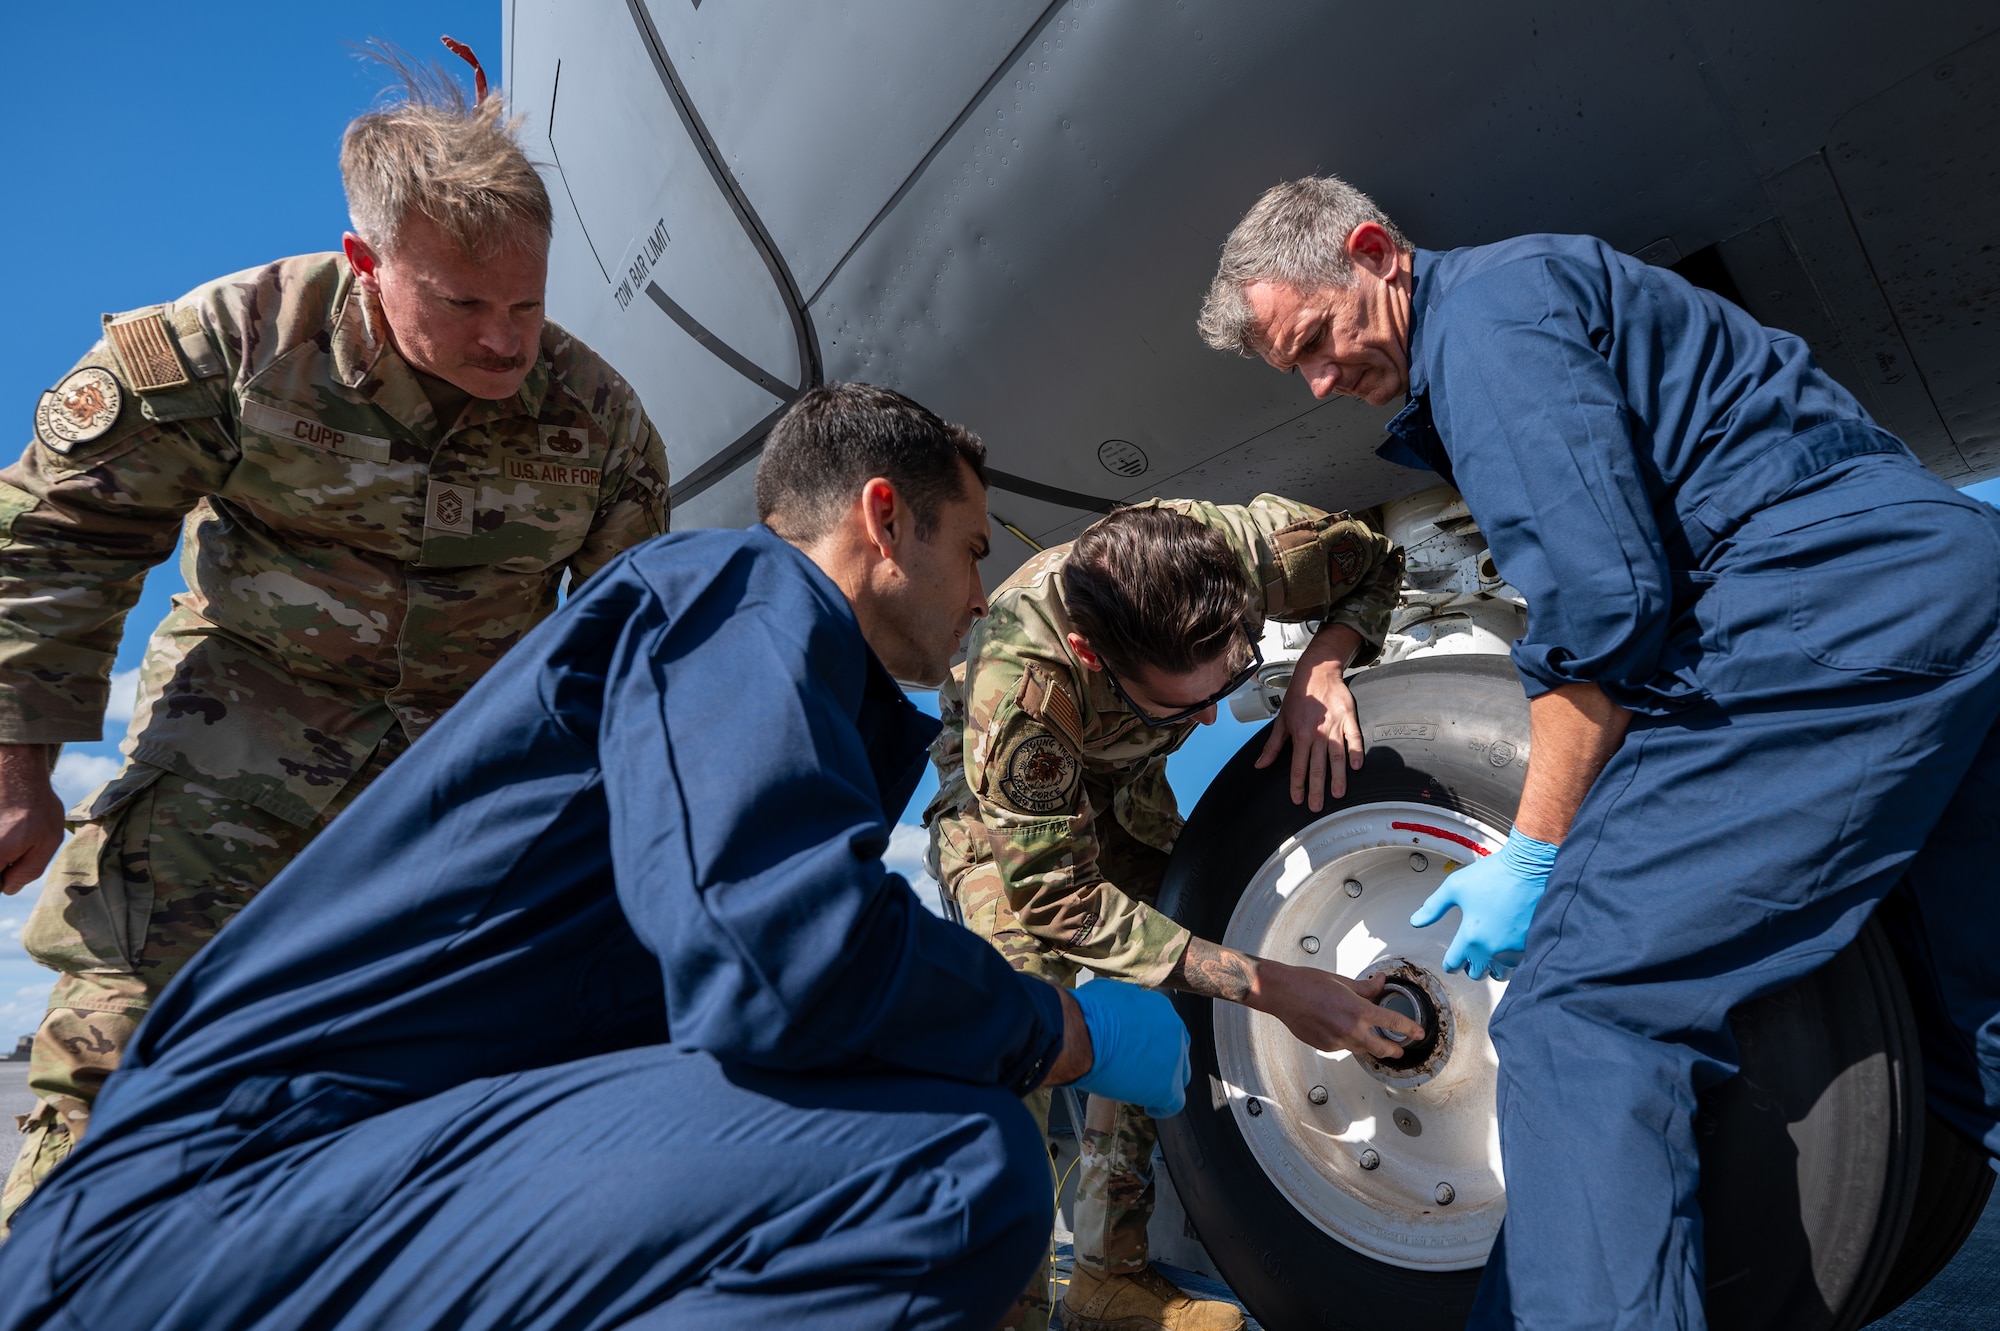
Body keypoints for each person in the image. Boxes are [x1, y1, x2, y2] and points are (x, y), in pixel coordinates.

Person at [0, 382, 1192, 1330]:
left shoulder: (748, 660)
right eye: (974, 548)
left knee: (917, 1114)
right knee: (948, 1167)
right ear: (885, 517)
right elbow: (779, 956)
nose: (983, 594)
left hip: (299, 1189)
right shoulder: (739, 593)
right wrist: (1054, 1025)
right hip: (220, 1200)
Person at [1198, 174, 2000, 1329]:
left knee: (1580, 1013)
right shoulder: (1547, 291)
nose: (1321, 381)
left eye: (1316, 339)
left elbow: (1600, 608)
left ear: (1373, 251)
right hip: (1944, 586)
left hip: (1816, 621)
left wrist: (1531, 853)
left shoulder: (1481, 324)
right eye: (1297, 370)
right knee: (1961, 1023)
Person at [0, 54, 672, 1219]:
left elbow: (636, 654)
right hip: (223, 781)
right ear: (366, 263)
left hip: (448, 825)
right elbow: (64, 528)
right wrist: (17, 757)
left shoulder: (597, 423)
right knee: (114, 1080)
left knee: (415, 1130)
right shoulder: (234, 344)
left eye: (527, 303)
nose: (507, 342)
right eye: (463, 304)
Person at [928, 496, 1422, 1331]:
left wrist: (1323, 662)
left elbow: (1378, 563)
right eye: (1180, 706)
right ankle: (1003, 1305)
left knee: (1173, 990)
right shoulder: (1021, 690)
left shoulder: (1249, 552)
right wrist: (1270, 985)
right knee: (1025, 1023)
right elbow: (1055, 896)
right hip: (1005, 829)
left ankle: (1108, 1278)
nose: (1205, 722)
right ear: (1092, 654)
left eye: (1223, 690)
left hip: (1126, 798)